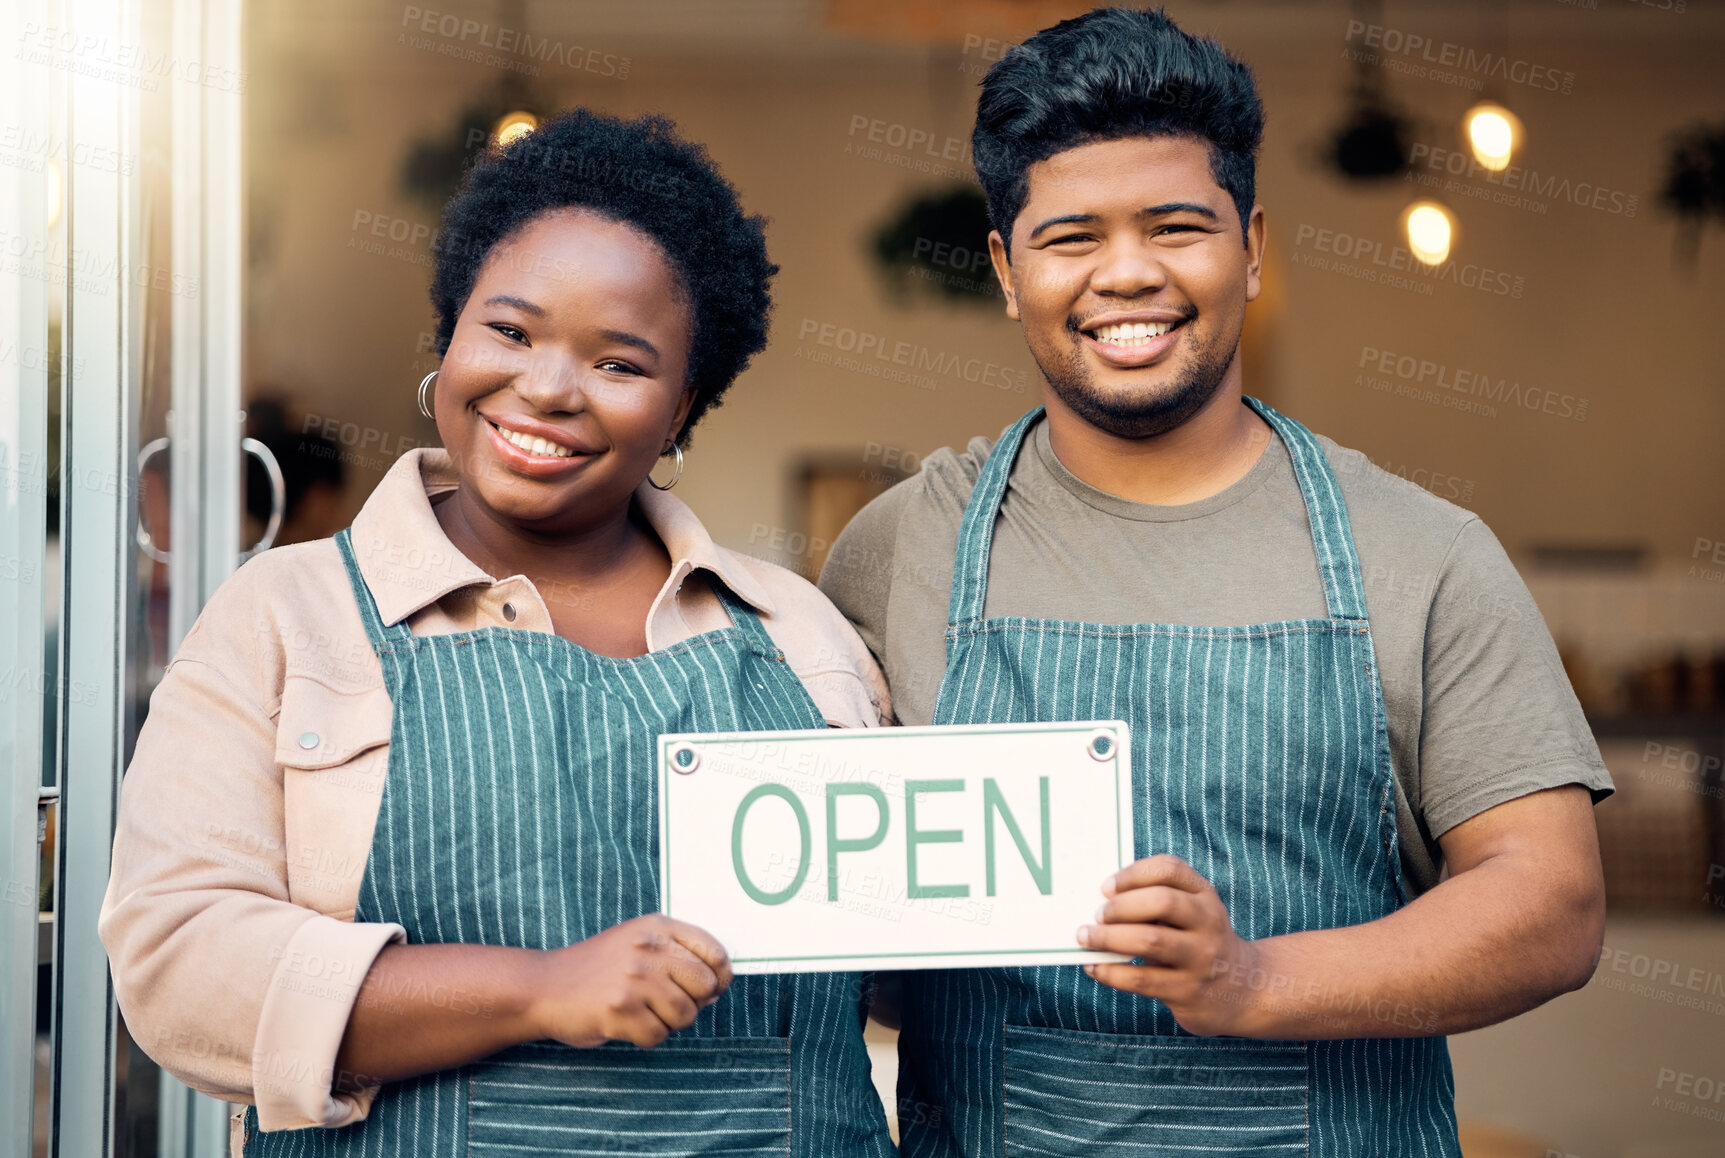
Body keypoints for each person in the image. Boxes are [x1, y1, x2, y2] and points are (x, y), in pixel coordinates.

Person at [819, 9, 1611, 1156]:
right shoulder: (902, 545)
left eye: (1176, 226)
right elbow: (855, 921)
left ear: (1249, 245)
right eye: (1070, 237)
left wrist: (1252, 979)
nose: (1127, 273)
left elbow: (1554, 907)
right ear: (1005, 268)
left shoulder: (1422, 551)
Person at [102, 110, 895, 1157]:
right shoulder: (287, 618)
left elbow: (898, 961)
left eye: (619, 363)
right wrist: (538, 990)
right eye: (511, 332)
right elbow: (182, 968)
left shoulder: (799, 632)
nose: (548, 389)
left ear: (682, 407)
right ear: (450, 335)